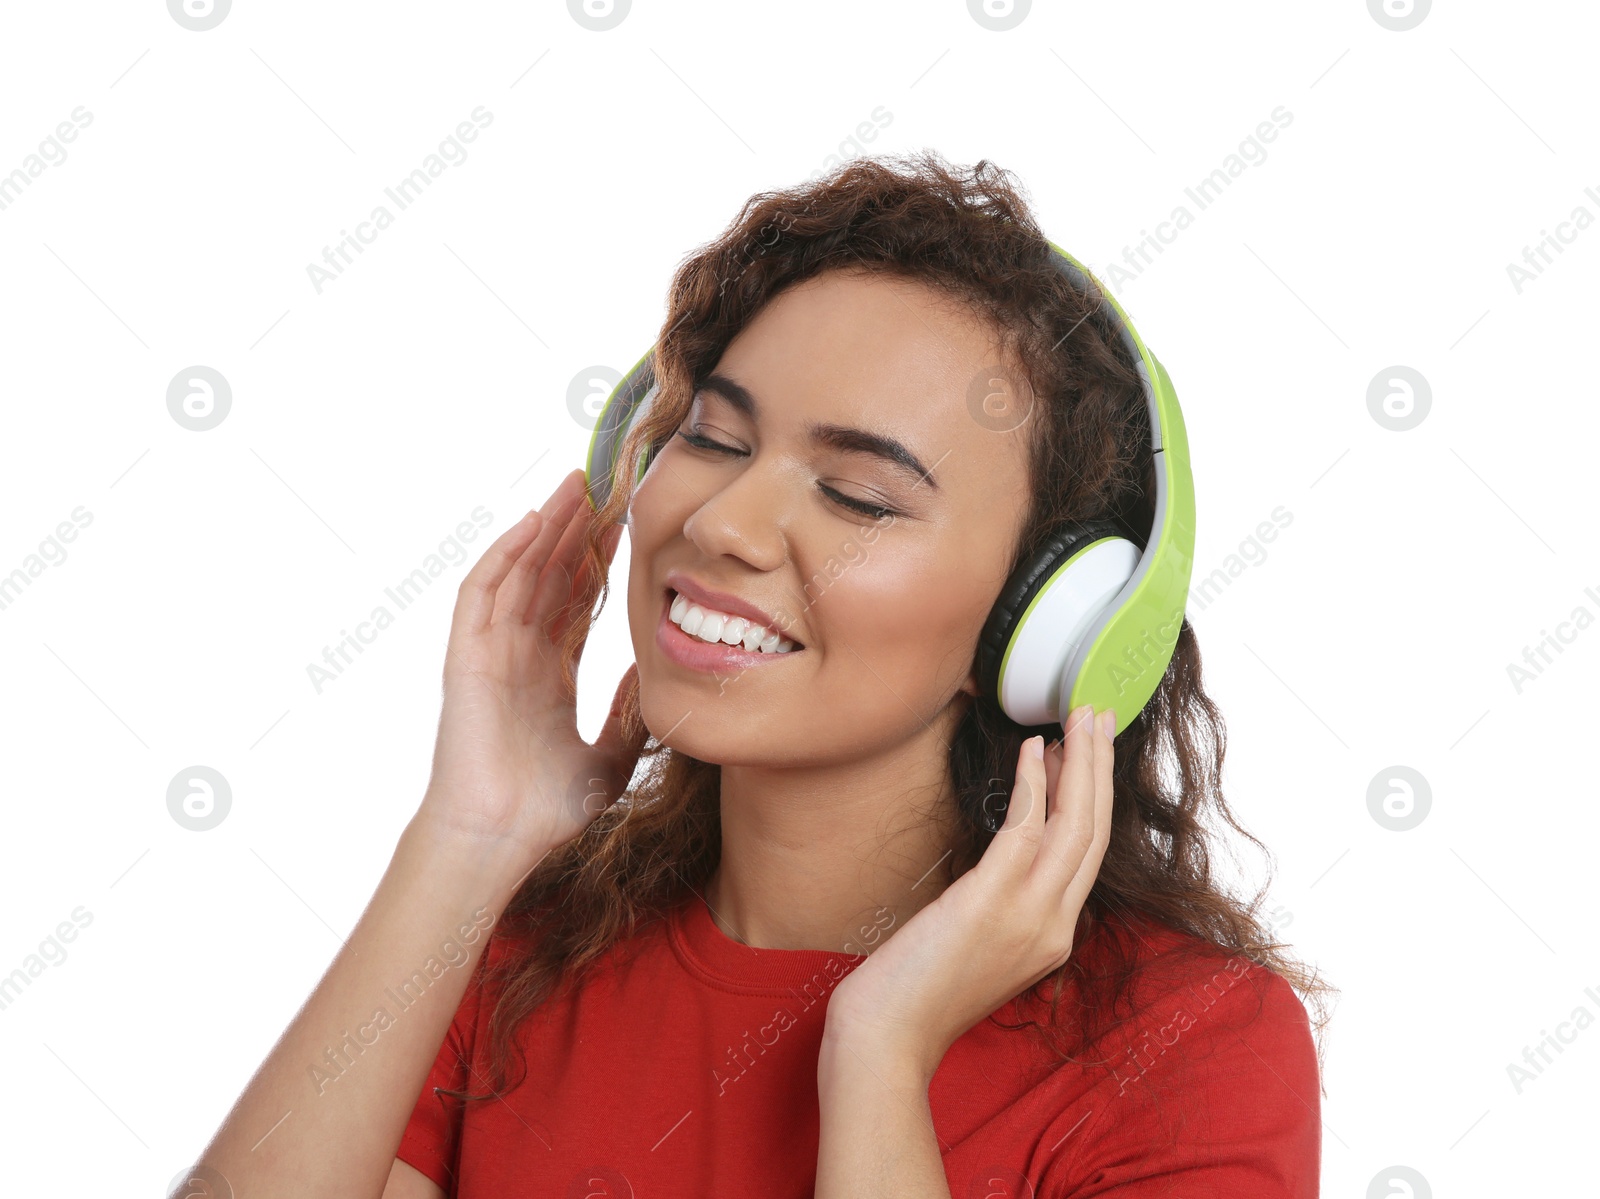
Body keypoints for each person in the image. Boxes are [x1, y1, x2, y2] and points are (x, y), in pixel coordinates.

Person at [180, 151, 1333, 1199]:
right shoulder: (508, 952)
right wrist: (471, 837)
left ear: (1048, 621)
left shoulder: (1188, 1043)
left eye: (859, 495)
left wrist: (878, 1052)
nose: (724, 519)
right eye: (716, 439)